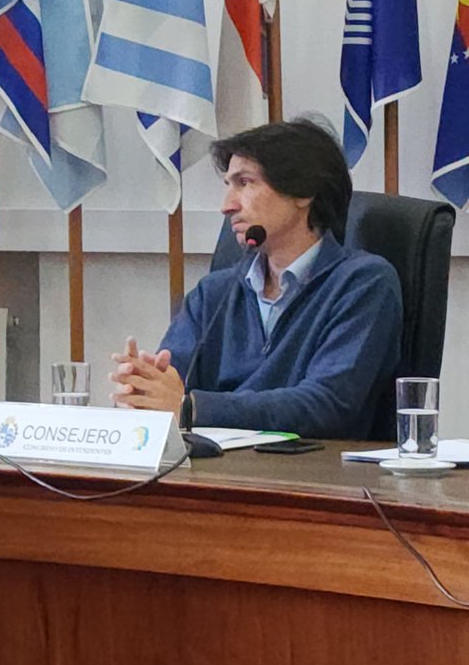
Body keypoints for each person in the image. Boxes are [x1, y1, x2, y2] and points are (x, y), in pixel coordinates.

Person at [109, 119, 402, 439]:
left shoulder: (363, 283)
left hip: (315, 467)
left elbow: (328, 404)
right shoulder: (214, 293)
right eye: (228, 185)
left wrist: (194, 408)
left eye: (245, 183)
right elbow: (172, 385)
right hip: (215, 464)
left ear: (303, 192)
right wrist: (142, 389)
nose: (227, 206)